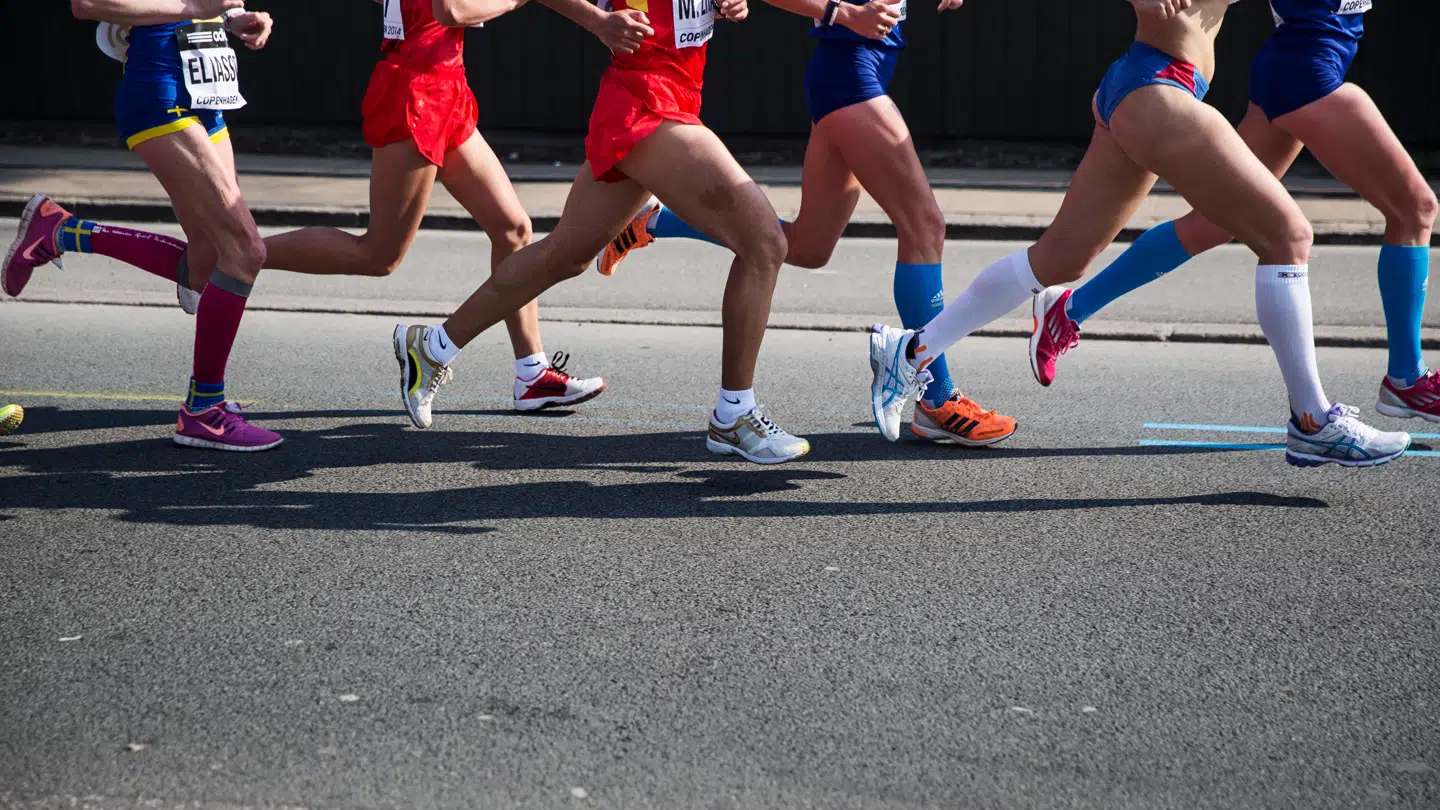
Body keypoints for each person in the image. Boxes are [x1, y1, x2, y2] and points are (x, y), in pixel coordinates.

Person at [6, 0, 622, 413]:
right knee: (376, 256)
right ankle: (230, 265)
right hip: (411, 88)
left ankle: (531, 373)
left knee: (513, 227)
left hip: (446, 83)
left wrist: (234, 19)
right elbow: (453, 7)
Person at [867, 0, 1411, 467]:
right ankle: (1313, 421)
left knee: (1059, 259)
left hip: (1147, 84)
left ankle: (911, 349)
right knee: (1287, 235)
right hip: (1157, 89)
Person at [394, 0, 814, 464]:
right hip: (646, 105)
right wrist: (598, 21)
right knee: (765, 245)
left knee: (564, 257)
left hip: (669, 95)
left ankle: (433, 345)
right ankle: (735, 413)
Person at [588, 0, 1015, 447]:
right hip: (849, 76)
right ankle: (938, 399)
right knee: (925, 227)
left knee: (809, 247)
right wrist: (843, 14)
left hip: (860, 70)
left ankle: (653, 221)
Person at [1028, 0, 1439, 425]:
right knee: (1415, 208)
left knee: (1212, 223)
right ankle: (1405, 380)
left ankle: (1070, 309)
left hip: (1303, 65)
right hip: (1307, 71)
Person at [4, 0, 282, 451]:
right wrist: (195, 6)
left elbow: (210, 6)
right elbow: (87, 5)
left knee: (206, 261)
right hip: (161, 90)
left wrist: (235, 21)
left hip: (207, 85)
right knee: (245, 250)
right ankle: (203, 411)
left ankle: (60, 231)